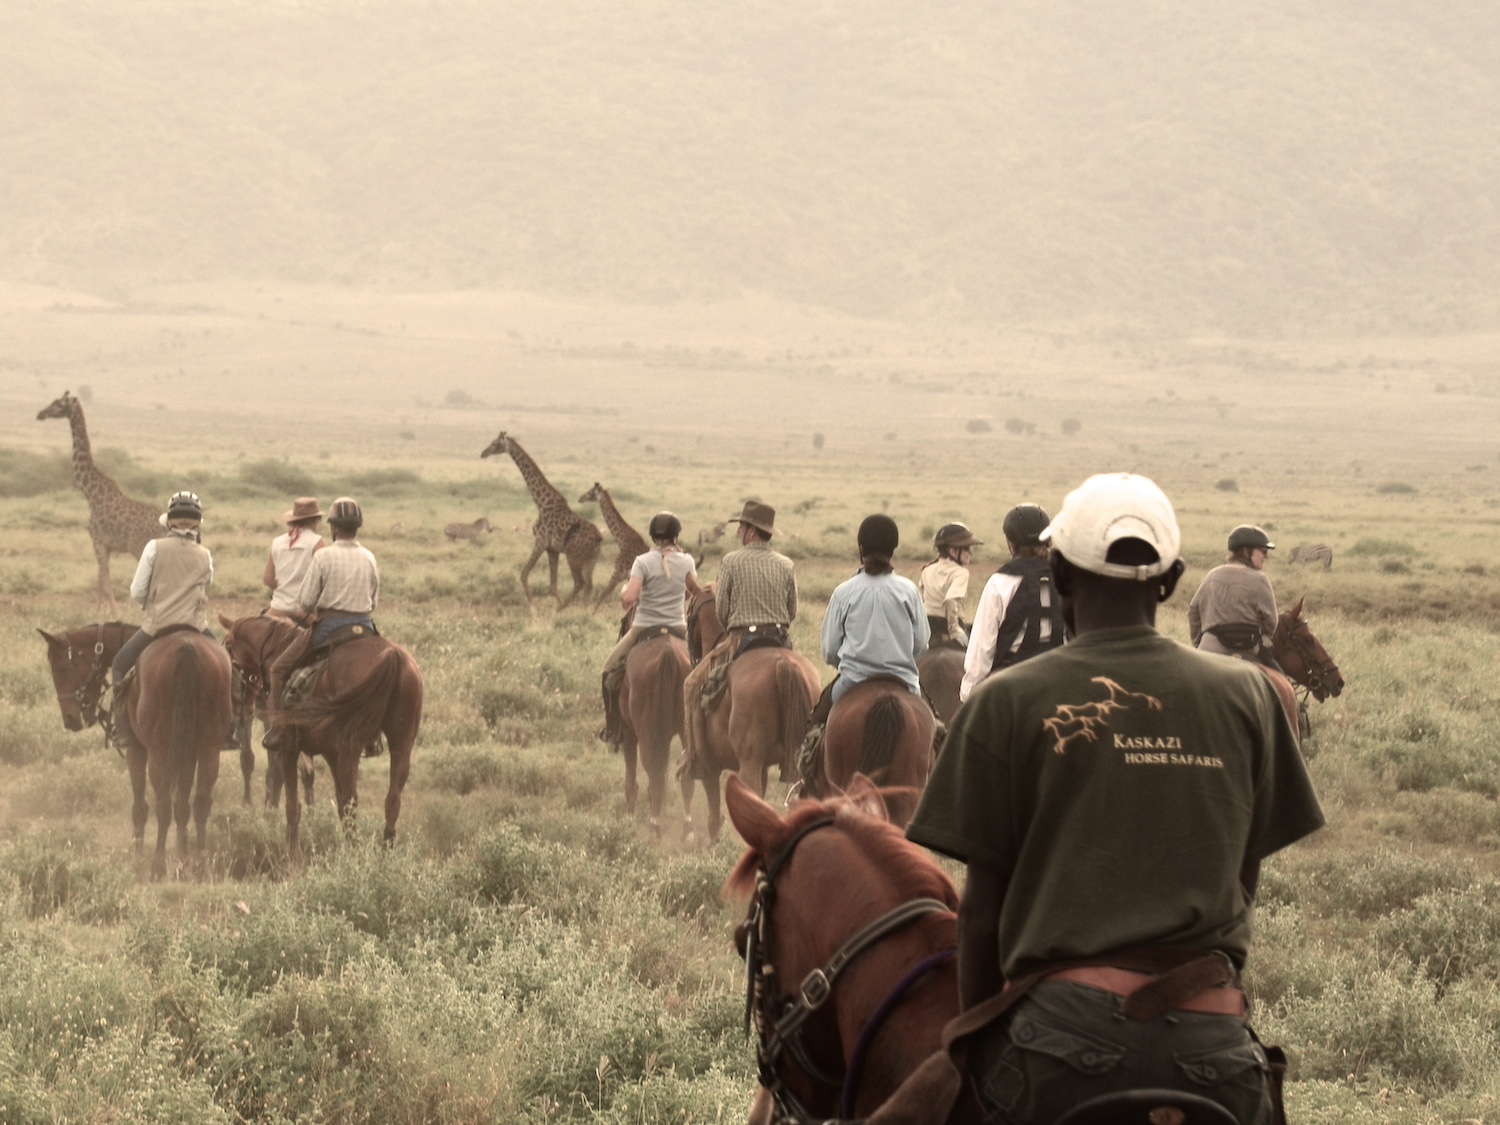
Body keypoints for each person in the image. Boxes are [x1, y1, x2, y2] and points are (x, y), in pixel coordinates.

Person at [906, 473, 1323, 1125]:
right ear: (1172, 577)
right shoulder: (1251, 695)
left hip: (1058, 1043)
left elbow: (981, 914)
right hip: (1212, 1043)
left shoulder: (1002, 702)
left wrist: (979, 1053)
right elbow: (1244, 878)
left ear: (1061, 575)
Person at [681, 500, 798, 763]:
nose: (738, 532)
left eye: (741, 527)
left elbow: (722, 611)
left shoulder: (731, 561)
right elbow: (792, 611)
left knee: (690, 685)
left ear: (752, 531)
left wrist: (734, 627)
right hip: (781, 640)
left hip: (741, 639)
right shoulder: (786, 564)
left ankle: (694, 758)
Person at [263, 497, 379, 751]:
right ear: (357, 527)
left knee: (279, 669)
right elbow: (373, 601)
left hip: (329, 625)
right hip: (365, 625)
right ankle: (374, 737)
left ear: (334, 527)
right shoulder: (369, 557)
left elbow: (304, 602)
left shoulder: (323, 555)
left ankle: (279, 728)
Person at [108, 491, 217, 750]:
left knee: (120, 664)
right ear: (197, 523)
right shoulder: (205, 553)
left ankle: (122, 727)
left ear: (169, 522)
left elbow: (137, 590)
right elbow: (207, 583)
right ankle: (230, 725)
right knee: (228, 667)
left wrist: (151, 607)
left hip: (156, 626)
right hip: (197, 626)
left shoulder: (153, 547)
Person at [807, 515, 929, 730]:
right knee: (934, 730)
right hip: (904, 681)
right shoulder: (909, 590)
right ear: (893, 548)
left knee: (814, 728)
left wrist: (851, 666)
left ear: (861, 548)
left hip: (852, 681)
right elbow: (920, 644)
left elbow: (829, 650)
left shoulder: (844, 592)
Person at [597, 511, 700, 746]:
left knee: (607, 671)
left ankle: (613, 729)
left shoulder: (642, 562)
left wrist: (625, 592)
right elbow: (689, 593)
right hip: (678, 626)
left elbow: (628, 600)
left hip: (643, 627)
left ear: (653, 536)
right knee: (706, 671)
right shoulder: (687, 561)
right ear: (676, 535)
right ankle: (701, 731)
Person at [960, 503, 1065, 703]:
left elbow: (982, 649)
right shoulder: (1067, 579)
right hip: (1060, 680)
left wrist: (969, 694)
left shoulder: (999, 583)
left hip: (1011, 684)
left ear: (1011, 545)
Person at [1188, 525, 1279, 666]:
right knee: (1281, 683)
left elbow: (1193, 611)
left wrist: (1199, 643)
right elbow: (1271, 621)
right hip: (1248, 652)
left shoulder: (1212, 575)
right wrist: (1264, 640)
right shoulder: (1260, 580)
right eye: (1263, 551)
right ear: (1245, 551)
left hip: (1210, 649)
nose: (1266, 556)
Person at [919, 522, 981, 647]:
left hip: (927, 627)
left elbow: (920, 599)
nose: (970, 553)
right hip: (948, 626)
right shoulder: (961, 572)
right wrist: (954, 630)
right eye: (967, 548)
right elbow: (951, 599)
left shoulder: (927, 569)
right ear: (953, 551)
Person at [263, 496, 325, 619]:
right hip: (303, 612)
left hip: (278, 609)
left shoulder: (277, 542)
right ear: (316, 520)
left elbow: (268, 579)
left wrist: (285, 588)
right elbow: (323, 579)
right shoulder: (317, 541)